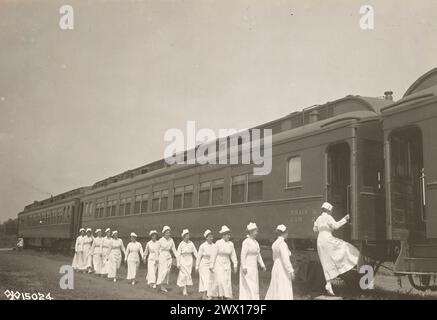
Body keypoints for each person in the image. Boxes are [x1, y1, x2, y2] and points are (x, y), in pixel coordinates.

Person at [313, 202, 360, 296]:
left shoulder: (318, 218)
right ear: (328, 210)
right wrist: (345, 219)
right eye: (331, 210)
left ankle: (328, 283)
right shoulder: (328, 217)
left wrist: (316, 223)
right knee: (344, 246)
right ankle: (354, 257)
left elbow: (315, 230)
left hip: (320, 240)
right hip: (327, 239)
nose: (331, 212)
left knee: (326, 262)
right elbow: (336, 226)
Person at [265, 224, 295, 300]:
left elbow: (274, 258)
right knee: (284, 285)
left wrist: (277, 264)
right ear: (283, 233)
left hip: (276, 266)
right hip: (282, 267)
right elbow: (285, 260)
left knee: (276, 285)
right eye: (287, 232)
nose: (287, 234)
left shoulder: (274, 244)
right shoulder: (283, 244)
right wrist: (291, 270)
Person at [209, 225, 238, 300]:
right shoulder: (218, 243)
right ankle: (217, 296)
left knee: (226, 281)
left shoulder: (231, 244)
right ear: (223, 235)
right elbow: (213, 254)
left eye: (229, 234)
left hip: (227, 264)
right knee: (219, 280)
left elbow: (233, 255)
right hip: (218, 264)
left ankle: (226, 296)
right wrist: (211, 265)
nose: (229, 236)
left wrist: (235, 265)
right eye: (227, 235)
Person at [239, 222, 266, 300]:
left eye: (257, 231)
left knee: (254, 284)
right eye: (255, 231)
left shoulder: (256, 242)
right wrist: (244, 266)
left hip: (254, 267)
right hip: (247, 267)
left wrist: (262, 265)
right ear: (251, 232)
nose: (257, 233)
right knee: (248, 284)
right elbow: (242, 255)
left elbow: (258, 255)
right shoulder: (246, 242)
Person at [176, 229, 198, 296]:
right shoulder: (181, 244)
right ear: (183, 236)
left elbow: (195, 252)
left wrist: (198, 259)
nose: (187, 236)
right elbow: (178, 254)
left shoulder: (191, 243)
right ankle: (184, 290)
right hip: (183, 260)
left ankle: (185, 289)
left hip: (189, 260)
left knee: (188, 274)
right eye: (186, 235)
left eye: (188, 235)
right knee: (184, 275)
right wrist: (178, 263)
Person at [156, 226, 178, 292]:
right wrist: (157, 258)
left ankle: (163, 286)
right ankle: (160, 283)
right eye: (167, 233)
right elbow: (157, 250)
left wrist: (177, 256)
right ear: (164, 233)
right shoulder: (160, 240)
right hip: (162, 256)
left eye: (169, 232)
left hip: (169, 257)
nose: (168, 234)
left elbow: (174, 249)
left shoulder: (171, 240)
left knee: (168, 271)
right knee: (164, 271)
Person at [196, 229, 215, 300]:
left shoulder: (214, 245)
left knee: (211, 280)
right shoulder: (202, 246)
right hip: (203, 264)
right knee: (205, 280)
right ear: (206, 237)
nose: (211, 238)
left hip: (211, 265)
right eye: (210, 237)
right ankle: (206, 295)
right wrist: (197, 266)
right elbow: (198, 256)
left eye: (212, 237)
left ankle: (207, 295)